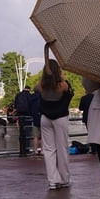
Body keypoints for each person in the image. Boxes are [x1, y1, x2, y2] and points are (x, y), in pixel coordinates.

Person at [38, 43, 74, 190]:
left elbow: (38, 93)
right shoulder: (63, 85)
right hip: (60, 118)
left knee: (48, 149)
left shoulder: (40, 85)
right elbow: (70, 94)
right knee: (62, 148)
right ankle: (65, 178)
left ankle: (53, 180)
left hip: (45, 118)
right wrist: (62, 77)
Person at [14, 85, 33, 157]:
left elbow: (15, 105)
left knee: (21, 132)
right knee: (28, 131)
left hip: (20, 115)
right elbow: (31, 105)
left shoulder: (18, 95)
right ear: (29, 89)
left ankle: (21, 150)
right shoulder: (30, 95)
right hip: (28, 115)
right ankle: (27, 148)